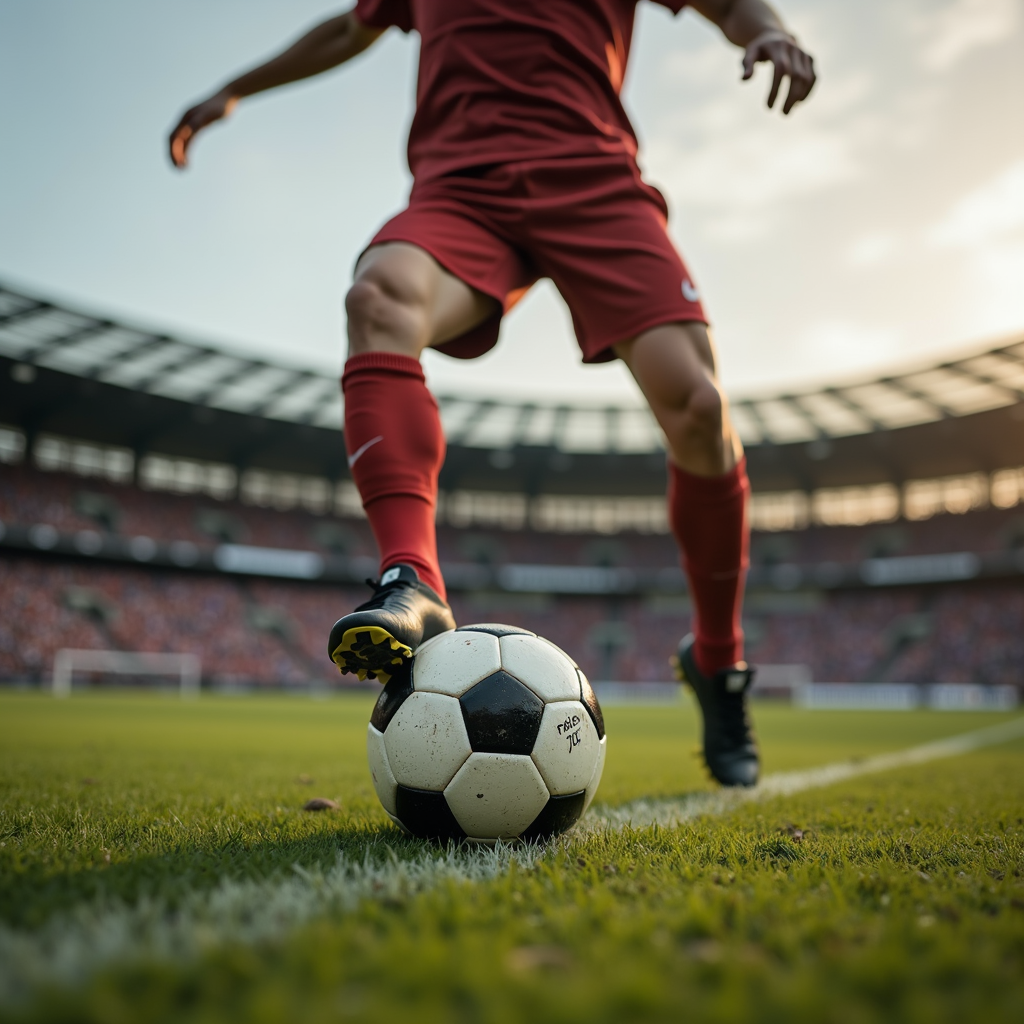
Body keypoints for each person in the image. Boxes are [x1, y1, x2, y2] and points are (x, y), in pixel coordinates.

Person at [169, 0, 815, 787]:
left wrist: (766, 31)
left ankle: (717, 662)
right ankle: (413, 580)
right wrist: (236, 89)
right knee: (378, 300)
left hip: (593, 179)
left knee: (701, 409)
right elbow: (348, 28)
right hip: (462, 185)